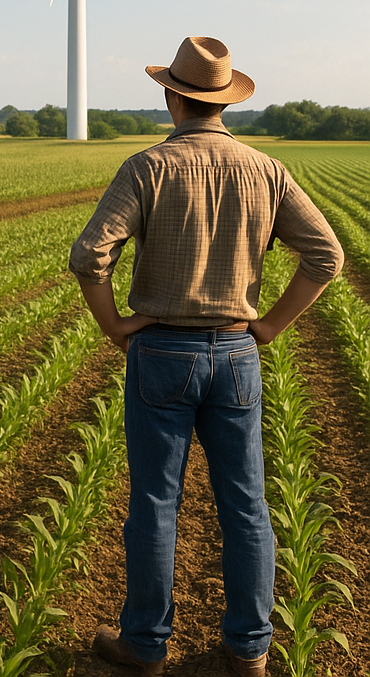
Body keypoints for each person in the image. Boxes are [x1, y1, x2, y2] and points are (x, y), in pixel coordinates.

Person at [68, 36, 344, 676]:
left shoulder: (147, 167)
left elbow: (88, 256)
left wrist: (115, 326)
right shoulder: (266, 170)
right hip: (237, 354)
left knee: (155, 504)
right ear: (224, 101)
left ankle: (144, 646)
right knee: (247, 505)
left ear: (173, 97)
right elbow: (325, 255)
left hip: (162, 350)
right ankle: (249, 650)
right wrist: (268, 325)